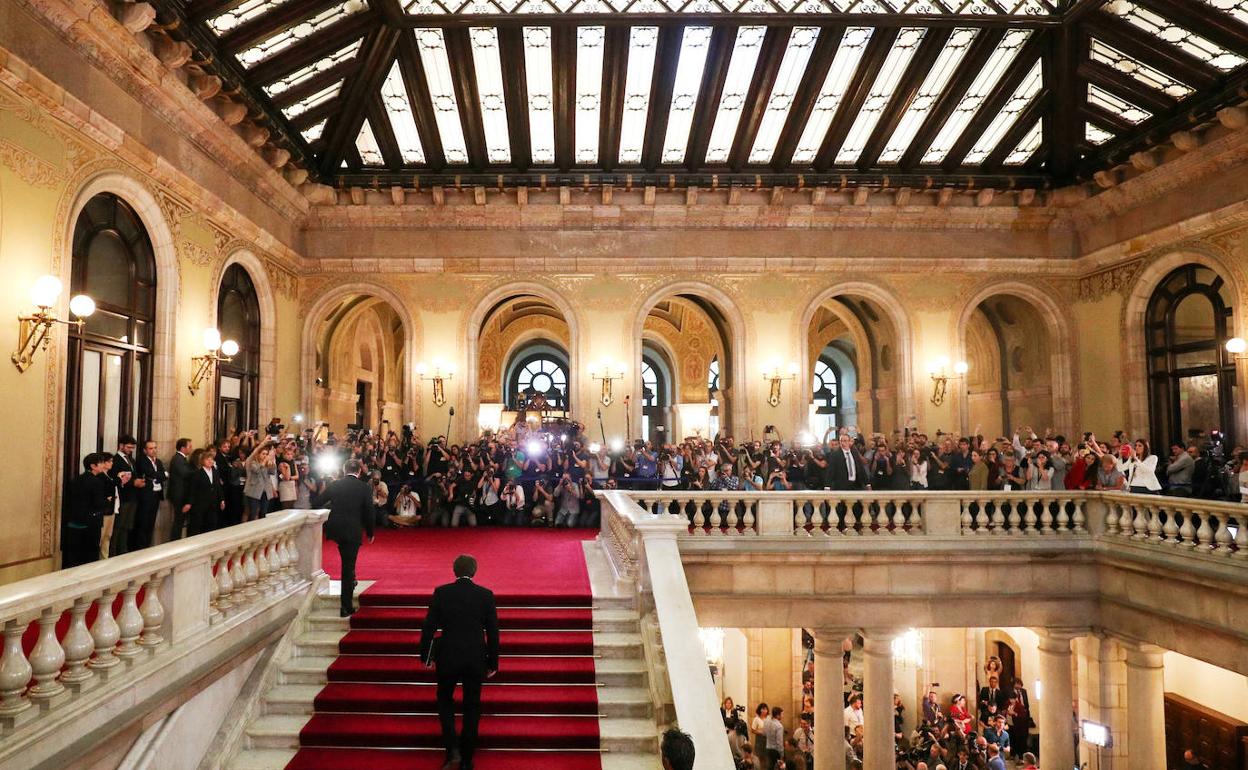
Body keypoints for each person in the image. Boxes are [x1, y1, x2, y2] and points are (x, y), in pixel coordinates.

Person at [419, 554, 500, 770]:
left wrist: (426, 655)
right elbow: (493, 632)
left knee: (445, 700)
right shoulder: (485, 595)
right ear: (474, 571)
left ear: (454, 571)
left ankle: (451, 749)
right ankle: (467, 759)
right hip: (475, 657)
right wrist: (493, 662)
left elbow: (429, 626)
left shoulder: (442, 593)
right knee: (472, 706)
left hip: (448, 656)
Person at [323, 458, 376, 617]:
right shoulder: (364, 487)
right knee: (348, 567)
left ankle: (352, 580)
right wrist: (370, 532)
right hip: (352, 530)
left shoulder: (335, 485)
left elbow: (317, 501)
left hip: (336, 529)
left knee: (348, 564)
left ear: (344, 470)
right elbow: (369, 511)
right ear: (359, 471)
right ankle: (345, 606)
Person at [63, 453, 115, 568]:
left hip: (75, 520)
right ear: (93, 466)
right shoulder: (96, 482)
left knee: (76, 555)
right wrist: (108, 500)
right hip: (91, 521)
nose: (103, 465)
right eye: (101, 463)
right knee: (91, 554)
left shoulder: (78, 479)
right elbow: (98, 503)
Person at [131, 439, 166, 550]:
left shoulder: (158, 461)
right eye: (151, 448)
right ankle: (140, 547)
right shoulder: (142, 460)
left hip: (156, 494)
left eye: (155, 448)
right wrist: (161, 475)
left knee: (151, 521)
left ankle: (148, 546)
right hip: (146, 495)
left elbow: (163, 476)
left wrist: (160, 475)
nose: (154, 450)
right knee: (143, 522)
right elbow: (150, 473)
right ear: (145, 450)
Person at [185, 450, 225, 536]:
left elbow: (218, 487)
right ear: (202, 461)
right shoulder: (197, 473)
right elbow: (192, 490)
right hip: (200, 505)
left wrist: (222, 499)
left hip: (213, 504)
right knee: (198, 527)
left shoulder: (215, 472)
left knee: (211, 525)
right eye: (207, 459)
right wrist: (189, 503)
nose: (210, 461)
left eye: (211, 459)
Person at [167, 438, 193, 540]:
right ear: (182, 448)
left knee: (180, 521)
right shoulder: (177, 459)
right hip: (179, 495)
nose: (191, 448)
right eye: (189, 446)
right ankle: (174, 542)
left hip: (181, 494)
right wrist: (198, 471)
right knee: (178, 520)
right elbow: (185, 473)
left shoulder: (182, 459)